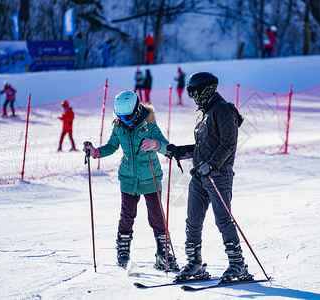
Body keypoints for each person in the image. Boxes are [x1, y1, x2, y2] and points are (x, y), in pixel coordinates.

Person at [165, 72, 248, 283]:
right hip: (200, 176)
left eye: (194, 92)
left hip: (218, 176)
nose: (192, 97)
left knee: (222, 220)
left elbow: (229, 144)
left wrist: (211, 165)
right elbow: (201, 147)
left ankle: (237, 264)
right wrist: (180, 151)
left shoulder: (223, 110)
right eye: (189, 93)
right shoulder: (203, 113)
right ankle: (195, 264)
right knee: (193, 221)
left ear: (206, 89)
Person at [82, 90, 178, 271]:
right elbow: (111, 146)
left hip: (150, 176)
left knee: (157, 217)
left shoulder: (149, 124)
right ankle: (123, 252)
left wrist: (154, 144)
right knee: (127, 216)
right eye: (120, 116)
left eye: (127, 116)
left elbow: (167, 147)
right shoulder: (119, 126)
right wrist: (95, 152)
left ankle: (163, 255)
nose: (124, 119)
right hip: (128, 177)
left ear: (136, 110)